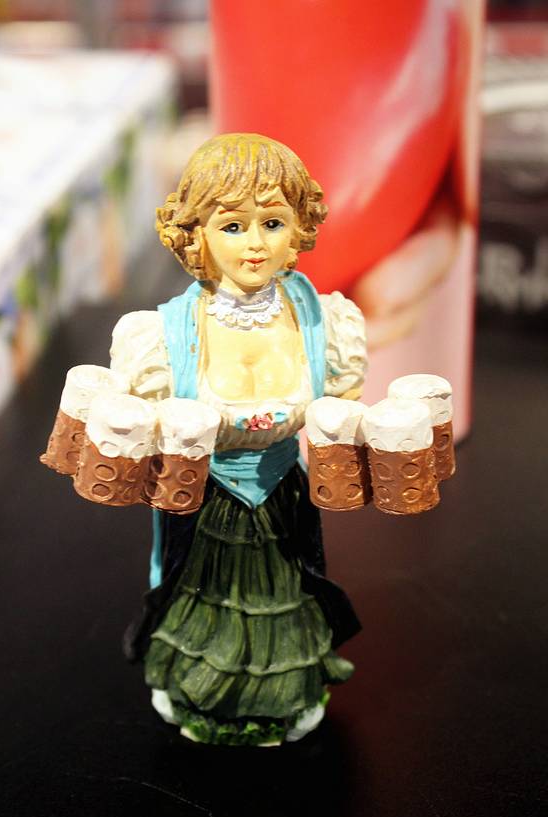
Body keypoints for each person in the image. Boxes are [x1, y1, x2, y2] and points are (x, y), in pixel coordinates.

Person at [110, 133, 368, 746]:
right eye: (232, 226)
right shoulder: (160, 335)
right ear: (196, 232)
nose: (255, 244)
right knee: (204, 599)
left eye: (272, 222)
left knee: (288, 593)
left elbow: (344, 402)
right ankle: (207, 697)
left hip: (283, 493)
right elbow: (143, 428)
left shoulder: (323, 319)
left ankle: (279, 698)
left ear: (297, 227)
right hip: (206, 499)